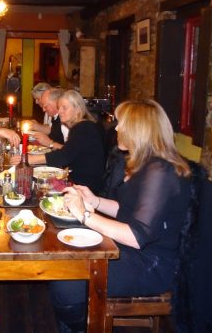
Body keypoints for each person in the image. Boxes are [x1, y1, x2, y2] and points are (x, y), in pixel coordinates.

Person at [48, 99, 192, 333]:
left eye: (122, 123)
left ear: (138, 130)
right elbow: (126, 210)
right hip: (128, 249)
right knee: (62, 252)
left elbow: (137, 236)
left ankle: (81, 326)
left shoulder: (160, 172)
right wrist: (94, 201)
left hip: (151, 263)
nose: (117, 128)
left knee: (66, 282)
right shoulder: (144, 164)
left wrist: (85, 215)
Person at [10, 90, 105, 191]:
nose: (59, 112)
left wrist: (30, 159)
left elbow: (64, 155)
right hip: (80, 182)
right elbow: (69, 153)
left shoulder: (84, 128)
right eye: (59, 108)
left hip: (86, 188)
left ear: (77, 108)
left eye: (64, 107)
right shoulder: (82, 126)